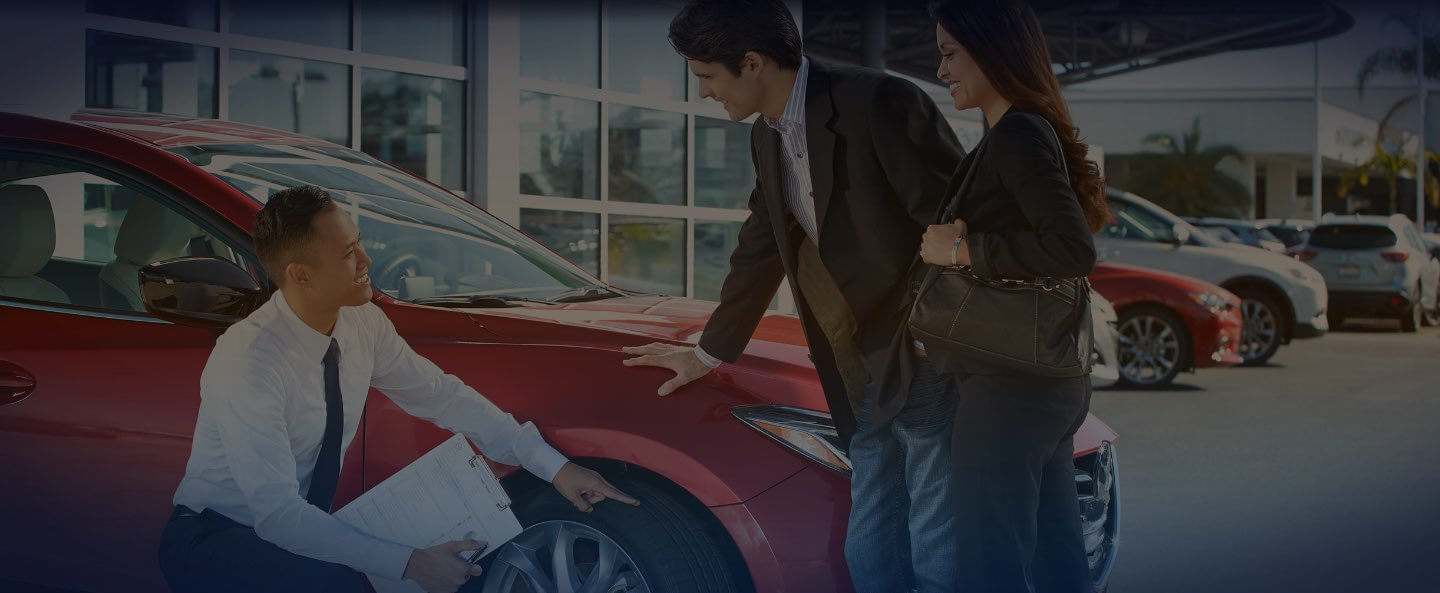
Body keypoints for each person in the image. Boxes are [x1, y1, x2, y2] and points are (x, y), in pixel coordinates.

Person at [619, 1, 965, 591]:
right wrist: (708, 352)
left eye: (707, 76)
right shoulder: (767, 136)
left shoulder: (880, 102)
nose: (703, 93)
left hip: (926, 353)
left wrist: (938, 335)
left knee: (937, 531)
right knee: (875, 527)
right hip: (864, 364)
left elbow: (957, 224)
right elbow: (761, 247)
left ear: (752, 63)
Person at [158, 185, 638, 593]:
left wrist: (552, 467)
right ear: (299, 274)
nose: (366, 260)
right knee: (354, 583)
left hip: (298, 526)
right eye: (348, 253)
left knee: (464, 557)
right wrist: (410, 563)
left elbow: (441, 395)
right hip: (217, 537)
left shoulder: (361, 321)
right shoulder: (250, 359)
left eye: (359, 243)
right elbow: (277, 516)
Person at [919, 1, 1110, 591]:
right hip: (1042, 383)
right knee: (1056, 555)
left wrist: (959, 252)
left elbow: (1072, 248)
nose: (942, 68)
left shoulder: (1019, 134)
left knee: (989, 558)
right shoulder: (1021, 131)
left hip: (1009, 389)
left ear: (992, 51)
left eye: (950, 53)